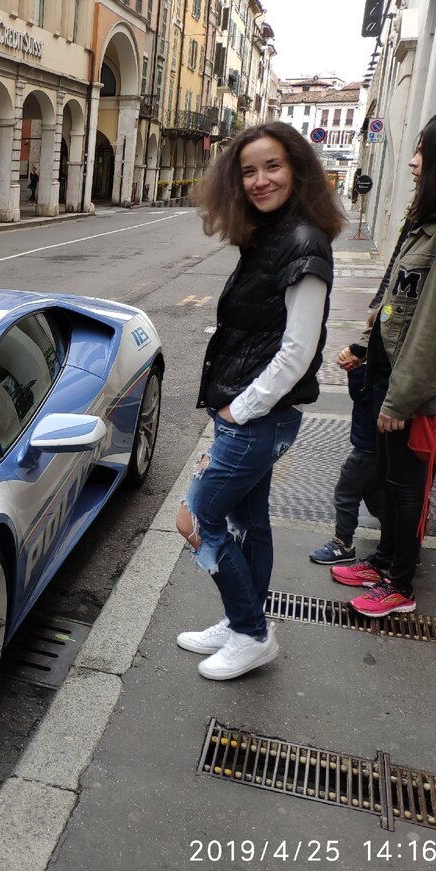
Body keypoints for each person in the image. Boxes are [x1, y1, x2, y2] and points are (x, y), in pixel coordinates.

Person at [176, 121, 346, 680]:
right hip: (248, 414)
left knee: (197, 517)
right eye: (248, 171)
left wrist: (237, 411)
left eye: (272, 166)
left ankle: (251, 633)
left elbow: (298, 351)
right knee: (250, 523)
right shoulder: (271, 236)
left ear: (297, 169)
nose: (259, 180)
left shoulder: (302, 242)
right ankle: (241, 620)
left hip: (255, 416)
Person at [330, 107, 436, 617]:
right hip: (393, 378)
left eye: (424, 154)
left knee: (407, 489)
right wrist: (370, 355)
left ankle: (399, 587)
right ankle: (384, 559)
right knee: (389, 480)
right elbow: (397, 308)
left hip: (419, 393)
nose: (413, 163)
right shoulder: (432, 226)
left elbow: (434, 331)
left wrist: (401, 399)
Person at [307, 321, 385, 565]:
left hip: (368, 445)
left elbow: (364, 399)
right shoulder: (387, 364)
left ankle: (343, 543)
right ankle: (400, 544)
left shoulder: (381, 369)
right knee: (376, 496)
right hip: (374, 443)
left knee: (346, 493)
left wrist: (356, 370)